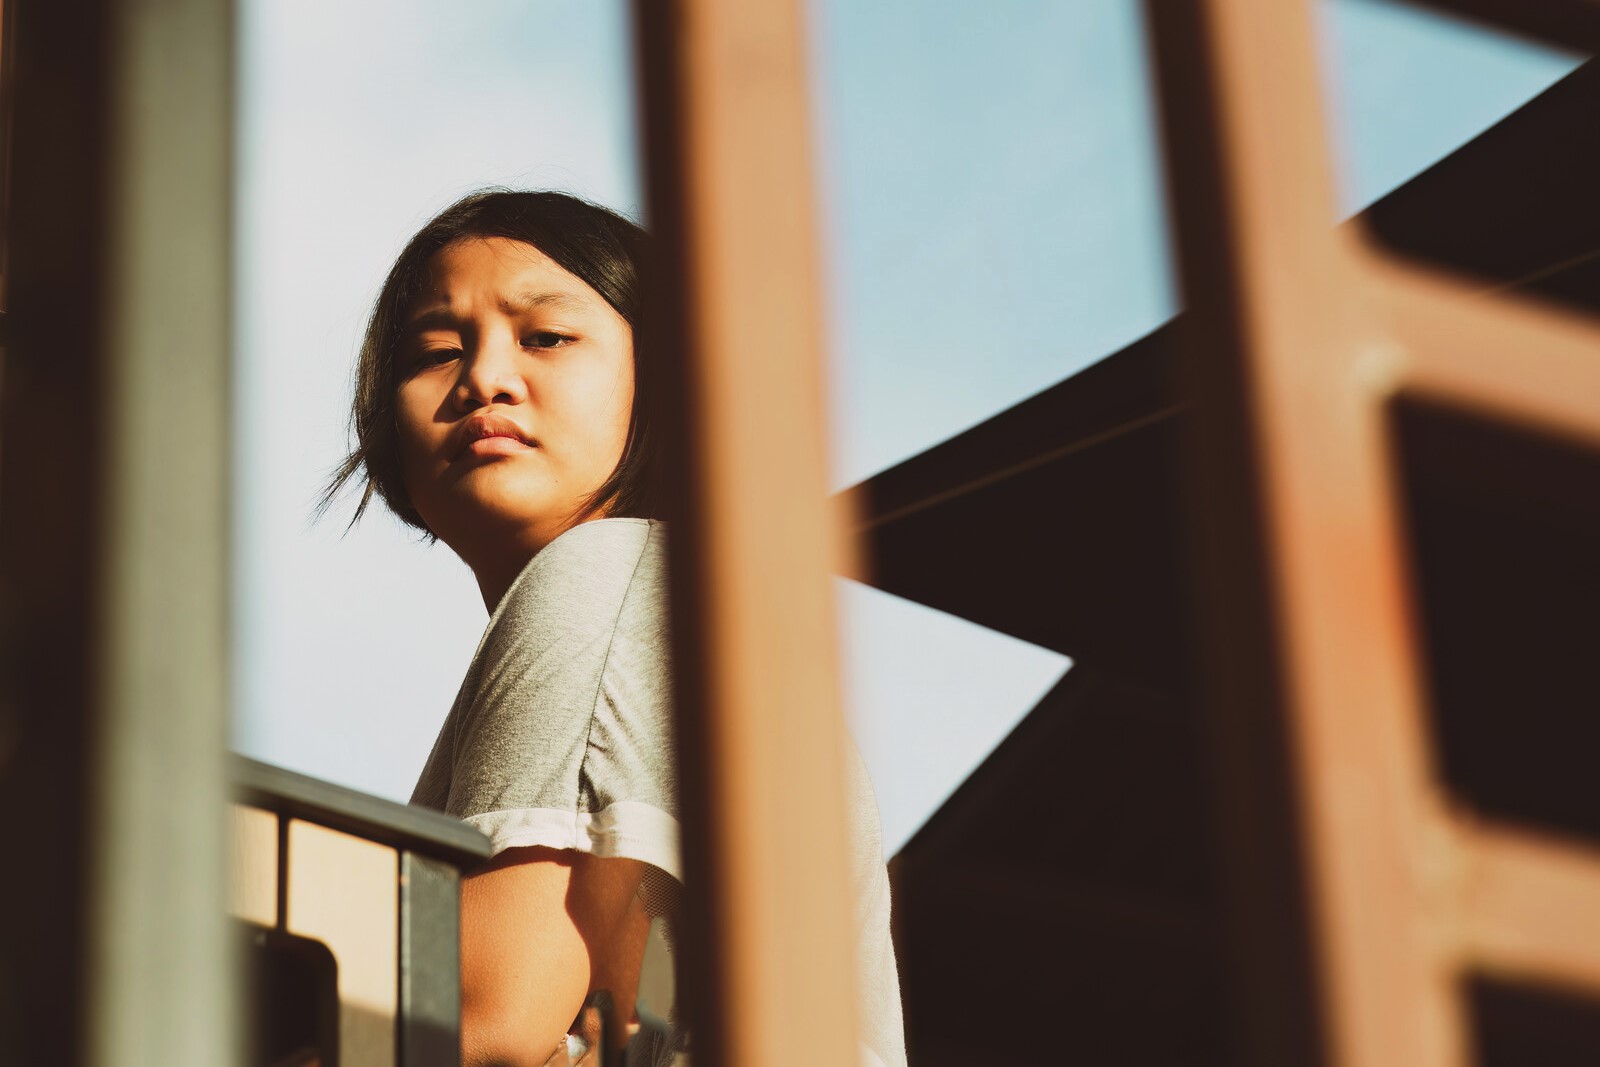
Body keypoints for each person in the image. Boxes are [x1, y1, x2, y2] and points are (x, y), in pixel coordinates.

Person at [325, 190, 907, 1067]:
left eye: (545, 337)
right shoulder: (681, 613)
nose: (485, 377)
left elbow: (481, 1029)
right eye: (435, 351)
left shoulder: (610, 574)